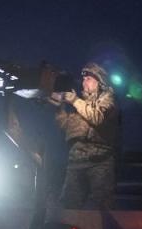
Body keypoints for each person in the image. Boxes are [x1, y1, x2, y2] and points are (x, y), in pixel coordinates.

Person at [51, 62, 121, 209]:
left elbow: (97, 117)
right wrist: (59, 108)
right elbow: (66, 126)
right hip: (76, 161)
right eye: (83, 79)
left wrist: (75, 101)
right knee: (68, 206)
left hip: (99, 161)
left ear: (99, 81)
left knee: (101, 208)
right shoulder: (80, 104)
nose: (84, 82)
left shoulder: (108, 100)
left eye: (88, 78)